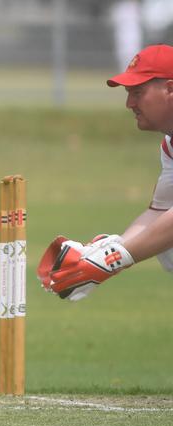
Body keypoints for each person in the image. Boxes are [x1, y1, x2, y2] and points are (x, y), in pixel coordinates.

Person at [39, 44, 173, 300]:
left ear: (170, 88)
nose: (128, 103)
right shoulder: (170, 145)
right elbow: (158, 213)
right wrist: (110, 251)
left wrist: (111, 259)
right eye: (128, 93)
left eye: (138, 92)